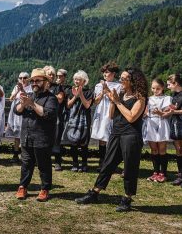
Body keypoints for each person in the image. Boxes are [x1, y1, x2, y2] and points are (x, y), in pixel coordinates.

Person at [76, 67, 148, 212]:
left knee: (130, 167)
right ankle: (95, 192)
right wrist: (112, 100)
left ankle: (127, 198)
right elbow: (111, 115)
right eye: (120, 78)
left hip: (131, 135)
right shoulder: (120, 93)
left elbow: (131, 117)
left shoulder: (140, 97)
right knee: (108, 163)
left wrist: (117, 101)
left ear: (132, 81)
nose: (120, 81)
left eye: (123, 79)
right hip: (116, 132)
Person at [14, 68, 58, 202]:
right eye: (32, 81)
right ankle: (23, 187)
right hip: (27, 136)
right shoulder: (30, 95)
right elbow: (17, 111)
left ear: (46, 82)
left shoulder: (51, 98)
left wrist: (31, 104)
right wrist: (22, 105)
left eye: (37, 81)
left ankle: (44, 189)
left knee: (43, 165)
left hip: (42, 137)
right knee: (26, 164)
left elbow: (47, 114)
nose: (34, 83)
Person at [61, 70, 93, 172]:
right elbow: (68, 105)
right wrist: (75, 96)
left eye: (79, 80)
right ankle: (75, 163)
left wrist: (81, 94)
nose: (76, 81)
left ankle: (84, 164)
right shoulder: (70, 91)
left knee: (84, 143)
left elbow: (87, 105)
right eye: (75, 79)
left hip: (84, 120)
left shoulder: (89, 91)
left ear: (84, 81)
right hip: (73, 120)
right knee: (73, 142)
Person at [91, 62, 122, 171]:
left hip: (112, 111)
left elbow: (115, 100)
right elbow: (96, 101)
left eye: (107, 72)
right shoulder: (98, 85)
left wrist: (107, 90)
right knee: (102, 137)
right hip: (101, 111)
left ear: (113, 74)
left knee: (112, 138)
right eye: (104, 72)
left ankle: (112, 163)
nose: (105, 74)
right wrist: (102, 92)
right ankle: (102, 162)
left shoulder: (118, 86)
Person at [143, 79, 172, 183]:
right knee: (154, 149)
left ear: (162, 88)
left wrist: (160, 112)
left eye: (158, 88)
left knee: (162, 149)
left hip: (161, 123)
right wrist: (144, 113)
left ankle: (163, 173)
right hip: (150, 123)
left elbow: (167, 112)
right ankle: (155, 172)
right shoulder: (148, 99)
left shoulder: (167, 98)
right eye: (153, 88)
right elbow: (145, 112)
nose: (155, 90)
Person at [6, 72, 32, 164]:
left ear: (28, 79)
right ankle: (15, 154)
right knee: (17, 135)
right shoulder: (16, 87)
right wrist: (18, 90)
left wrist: (22, 90)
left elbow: (30, 99)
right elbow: (11, 98)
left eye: (25, 77)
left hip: (25, 112)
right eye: (20, 78)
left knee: (25, 133)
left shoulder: (31, 87)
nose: (22, 79)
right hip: (16, 112)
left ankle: (25, 154)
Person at [163, 74, 182, 187]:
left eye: (169, 84)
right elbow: (176, 107)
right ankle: (180, 175)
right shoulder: (175, 94)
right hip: (176, 123)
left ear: (176, 83)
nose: (168, 86)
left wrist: (173, 112)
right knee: (178, 150)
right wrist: (169, 109)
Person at [43, 66, 65, 171]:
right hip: (43, 116)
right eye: (49, 74)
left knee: (56, 139)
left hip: (56, 116)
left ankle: (57, 161)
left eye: (53, 74)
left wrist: (48, 94)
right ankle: (43, 161)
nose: (51, 76)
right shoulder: (41, 85)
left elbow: (60, 99)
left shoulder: (58, 87)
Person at [54, 69, 70, 170]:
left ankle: (57, 160)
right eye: (57, 76)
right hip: (52, 114)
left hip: (62, 113)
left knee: (58, 138)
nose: (58, 78)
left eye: (61, 76)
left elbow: (62, 99)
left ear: (64, 77)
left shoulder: (67, 88)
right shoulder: (52, 86)